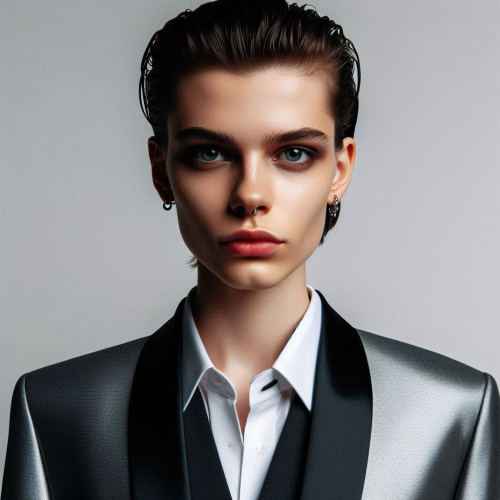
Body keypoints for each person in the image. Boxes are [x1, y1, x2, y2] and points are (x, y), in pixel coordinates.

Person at [2, 0, 499, 498]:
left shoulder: (449, 415)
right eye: (210, 153)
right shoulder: (56, 414)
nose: (250, 195)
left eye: (293, 153)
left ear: (339, 171)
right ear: (161, 170)